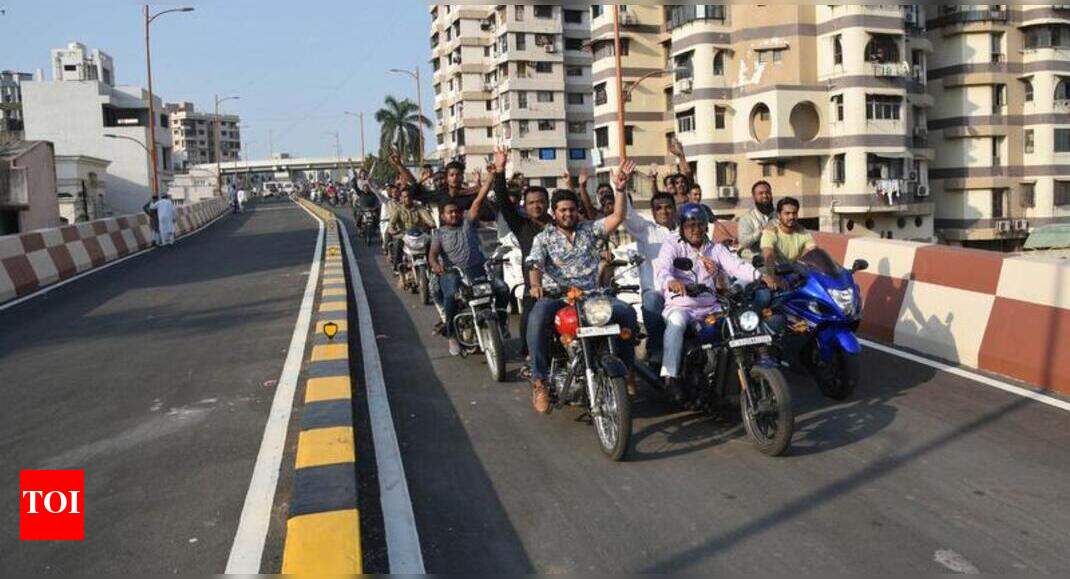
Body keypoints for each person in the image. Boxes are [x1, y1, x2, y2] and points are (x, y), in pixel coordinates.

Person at [525, 160, 639, 415]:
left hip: (592, 296)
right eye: (562, 210)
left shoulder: (589, 229)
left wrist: (620, 189)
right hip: (558, 296)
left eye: (572, 209)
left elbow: (618, 216)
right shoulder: (543, 238)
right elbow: (533, 262)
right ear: (554, 213)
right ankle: (539, 381)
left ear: (578, 211)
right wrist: (535, 285)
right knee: (536, 318)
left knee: (626, 313)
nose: (568, 214)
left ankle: (627, 369)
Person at [655, 203, 772, 405]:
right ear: (682, 227)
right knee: (675, 325)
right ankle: (670, 377)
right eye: (690, 225)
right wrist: (671, 281)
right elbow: (663, 268)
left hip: (711, 307)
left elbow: (736, 266)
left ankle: (750, 369)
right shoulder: (672, 244)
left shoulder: (715, 249)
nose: (695, 229)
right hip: (681, 306)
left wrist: (760, 276)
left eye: (700, 225)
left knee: (737, 326)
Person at [490, 146, 552, 362]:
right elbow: (503, 202)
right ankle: (529, 357)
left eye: (541, 202)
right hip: (533, 289)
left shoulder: (559, 225)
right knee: (529, 321)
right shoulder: (522, 226)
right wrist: (499, 170)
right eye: (532, 202)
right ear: (526, 206)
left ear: (548, 204)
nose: (537, 206)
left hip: (563, 286)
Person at [429, 195, 510, 356]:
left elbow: (477, 203)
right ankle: (451, 333)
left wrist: (490, 178)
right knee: (451, 295)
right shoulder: (439, 233)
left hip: (478, 270)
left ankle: (501, 322)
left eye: (457, 211)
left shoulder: (468, 224)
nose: (454, 214)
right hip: (453, 273)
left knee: (502, 288)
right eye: (450, 212)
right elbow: (433, 253)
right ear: (443, 216)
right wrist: (436, 265)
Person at [621, 191, 677, 365]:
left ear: (675, 209)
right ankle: (657, 351)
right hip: (656, 292)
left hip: (683, 292)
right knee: (651, 301)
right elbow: (627, 213)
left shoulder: (685, 231)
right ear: (653, 212)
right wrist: (621, 188)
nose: (663, 211)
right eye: (658, 208)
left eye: (668, 207)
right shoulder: (646, 230)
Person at [386, 186, 436, 282]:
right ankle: (398, 266)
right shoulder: (398, 209)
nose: (407, 198)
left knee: (432, 242)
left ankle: (432, 264)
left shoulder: (419, 208)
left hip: (419, 235)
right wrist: (393, 230)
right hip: (404, 235)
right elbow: (391, 225)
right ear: (401, 198)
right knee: (397, 244)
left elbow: (427, 218)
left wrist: (431, 224)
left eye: (409, 196)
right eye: (404, 197)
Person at [760, 196, 817, 268]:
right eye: (787, 213)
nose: (791, 217)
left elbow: (812, 250)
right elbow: (768, 256)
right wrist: (772, 276)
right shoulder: (770, 232)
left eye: (794, 213)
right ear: (779, 215)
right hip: (777, 272)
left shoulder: (803, 232)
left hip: (796, 273)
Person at [736, 180, 778, 261]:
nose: (765, 195)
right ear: (754, 197)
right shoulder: (746, 219)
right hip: (756, 263)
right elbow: (743, 242)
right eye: (760, 193)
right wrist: (759, 233)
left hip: (778, 261)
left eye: (767, 192)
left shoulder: (780, 216)